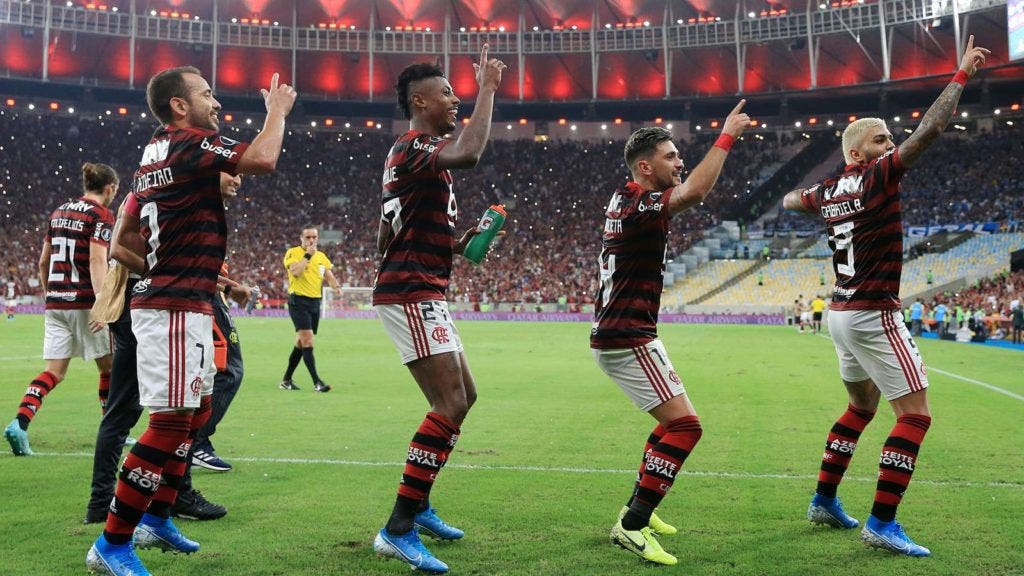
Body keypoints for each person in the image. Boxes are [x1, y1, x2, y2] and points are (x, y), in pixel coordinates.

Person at [781, 36, 990, 557]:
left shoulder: (827, 191)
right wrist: (961, 73)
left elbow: (789, 200)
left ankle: (824, 500)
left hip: (840, 313)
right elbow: (931, 130)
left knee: (860, 407)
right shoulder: (877, 177)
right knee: (915, 416)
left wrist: (817, 201)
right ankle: (882, 522)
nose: (891, 145)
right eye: (881, 140)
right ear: (858, 153)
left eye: (889, 138)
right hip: (874, 312)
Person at [86, 66, 295, 576]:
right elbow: (263, 158)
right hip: (173, 307)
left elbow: (126, 233)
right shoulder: (188, 142)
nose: (216, 102)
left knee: (196, 411)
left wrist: (170, 265)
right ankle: (112, 543)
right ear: (180, 105)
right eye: (206, 94)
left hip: (183, 301)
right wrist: (276, 112)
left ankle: (158, 517)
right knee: (169, 423)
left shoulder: (152, 154)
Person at [593, 101, 750, 566]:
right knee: (686, 427)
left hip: (626, 332)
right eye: (671, 156)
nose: (680, 162)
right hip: (627, 336)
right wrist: (727, 135)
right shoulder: (639, 205)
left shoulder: (626, 199)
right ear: (645, 167)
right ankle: (632, 524)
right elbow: (695, 192)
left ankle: (636, 507)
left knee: (669, 425)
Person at [370, 44, 506, 575]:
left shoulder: (413, 156)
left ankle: (419, 505)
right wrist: (487, 87)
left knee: (463, 397)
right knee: (449, 404)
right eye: (447, 93)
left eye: (457, 92)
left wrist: (456, 242)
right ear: (420, 101)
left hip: (421, 287)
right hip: (410, 291)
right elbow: (470, 153)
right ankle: (398, 528)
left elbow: (386, 233)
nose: (455, 100)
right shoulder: (415, 146)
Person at [4, 162, 118, 456]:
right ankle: (112, 431)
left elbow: (43, 261)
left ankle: (20, 423)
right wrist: (102, 302)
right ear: (110, 188)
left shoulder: (59, 212)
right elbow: (97, 260)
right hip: (85, 302)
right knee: (109, 368)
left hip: (56, 302)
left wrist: (50, 294)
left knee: (53, 372)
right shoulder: (101, 215)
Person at [278, 225, 341, 392]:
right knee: (308, 341)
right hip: (298, 301)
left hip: (315, 302)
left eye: (314, 237)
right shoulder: (293, 252)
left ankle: (286, 380)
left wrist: (336, 286)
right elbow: (296, 272)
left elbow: (328, 275)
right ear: (301, 238)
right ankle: (317, 383)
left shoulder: (321, 256)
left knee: (301, 343)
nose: (311, 240)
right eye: (308, 237)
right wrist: (307, 255)